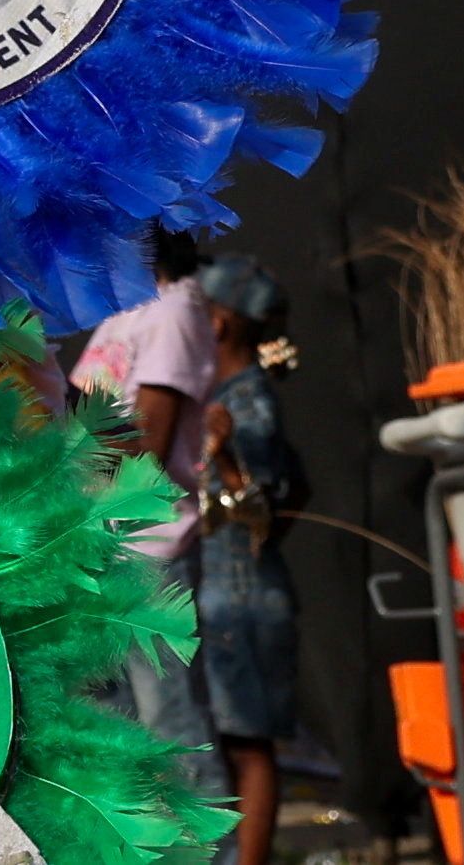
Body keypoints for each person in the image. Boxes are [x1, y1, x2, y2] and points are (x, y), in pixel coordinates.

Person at [71, 230, 222, 775]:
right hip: (102, 545)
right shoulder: (122, 315)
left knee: (170, 723)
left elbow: (149, 445)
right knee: (118, 727)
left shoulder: (174, 311)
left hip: (151, 549)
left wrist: (61, 443)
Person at [190, 261, 304, 865]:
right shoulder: (218, 395)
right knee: (225, 738)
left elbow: (265, 496)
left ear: (220, 322)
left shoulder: (248, 399)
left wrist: (227, 451)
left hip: (243, 592)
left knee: (247, 742)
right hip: (218, 588)